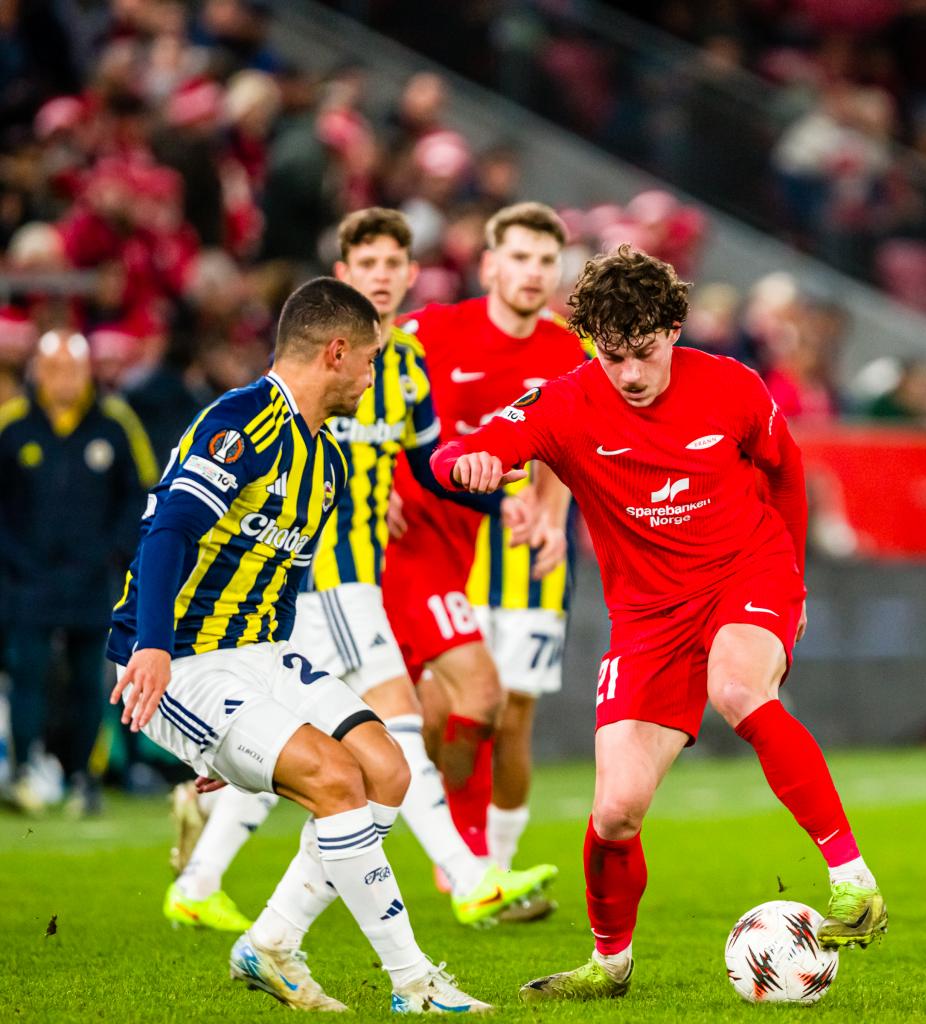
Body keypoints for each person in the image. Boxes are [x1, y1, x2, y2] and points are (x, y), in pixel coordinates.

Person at [430, 245, 888, 1001]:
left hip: (747, 572)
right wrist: (468, 466)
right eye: (613, 357)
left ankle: (853, 879)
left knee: (737, 689)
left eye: (644, 352)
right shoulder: (566, 402)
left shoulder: (732, 385)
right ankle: (609, 964)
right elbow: (462, 451)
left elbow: (786, 471)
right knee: (615, 812)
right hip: (646, 616)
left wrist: (794, 583)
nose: (631, 374)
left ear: (674, 329)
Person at [162, 208, 556, 934]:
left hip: (362, 571)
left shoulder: (406, 365)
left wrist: (493, 488)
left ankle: (198, 879)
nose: (380, 276)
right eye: (366, 264)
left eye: (392, 264)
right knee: (397, 723)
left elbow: (426, 465)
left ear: (411, 275)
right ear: (343, 274)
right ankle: (468, 877)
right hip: (324, 574)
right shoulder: (319, 362)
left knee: (313, 738)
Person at [106, 277, 491, 1013]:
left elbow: (280, 585)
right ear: (336, 353)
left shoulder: (327, 462)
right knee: (335, 779)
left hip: (259, 654)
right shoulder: (239, 424)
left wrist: (244, 731)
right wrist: (153, 648)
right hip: (180, 660)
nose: (374, 377)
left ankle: (271, 941)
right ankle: (413, 984)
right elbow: (168, 534)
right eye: (370, 361)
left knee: (387, 769)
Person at [386, 202, 588, 886]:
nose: (533, 272)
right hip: (429, 540)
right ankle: (458, 850)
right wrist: (369, 483)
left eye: (546, 260)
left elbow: (566, 446)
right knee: (436, 707)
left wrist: (553, 517)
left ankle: (486, 865)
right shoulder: (430, 331)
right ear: (490, 265)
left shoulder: (566, 351)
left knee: (511, 709)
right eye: (520, 257)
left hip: (515, 546)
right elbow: (357, 392)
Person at [0, 329, 157, 815]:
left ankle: (85, 776)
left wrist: (112, 553)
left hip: (93, 581)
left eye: (73, 369)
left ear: (87, 372)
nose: (64, 380)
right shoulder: (12, 425)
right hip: (27, 579)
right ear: (38, 372)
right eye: (54, 370)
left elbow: (142, 490)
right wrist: (16, 558)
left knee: (91, 682)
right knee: (27, 676)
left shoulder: (115, 422)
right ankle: (24, 771)